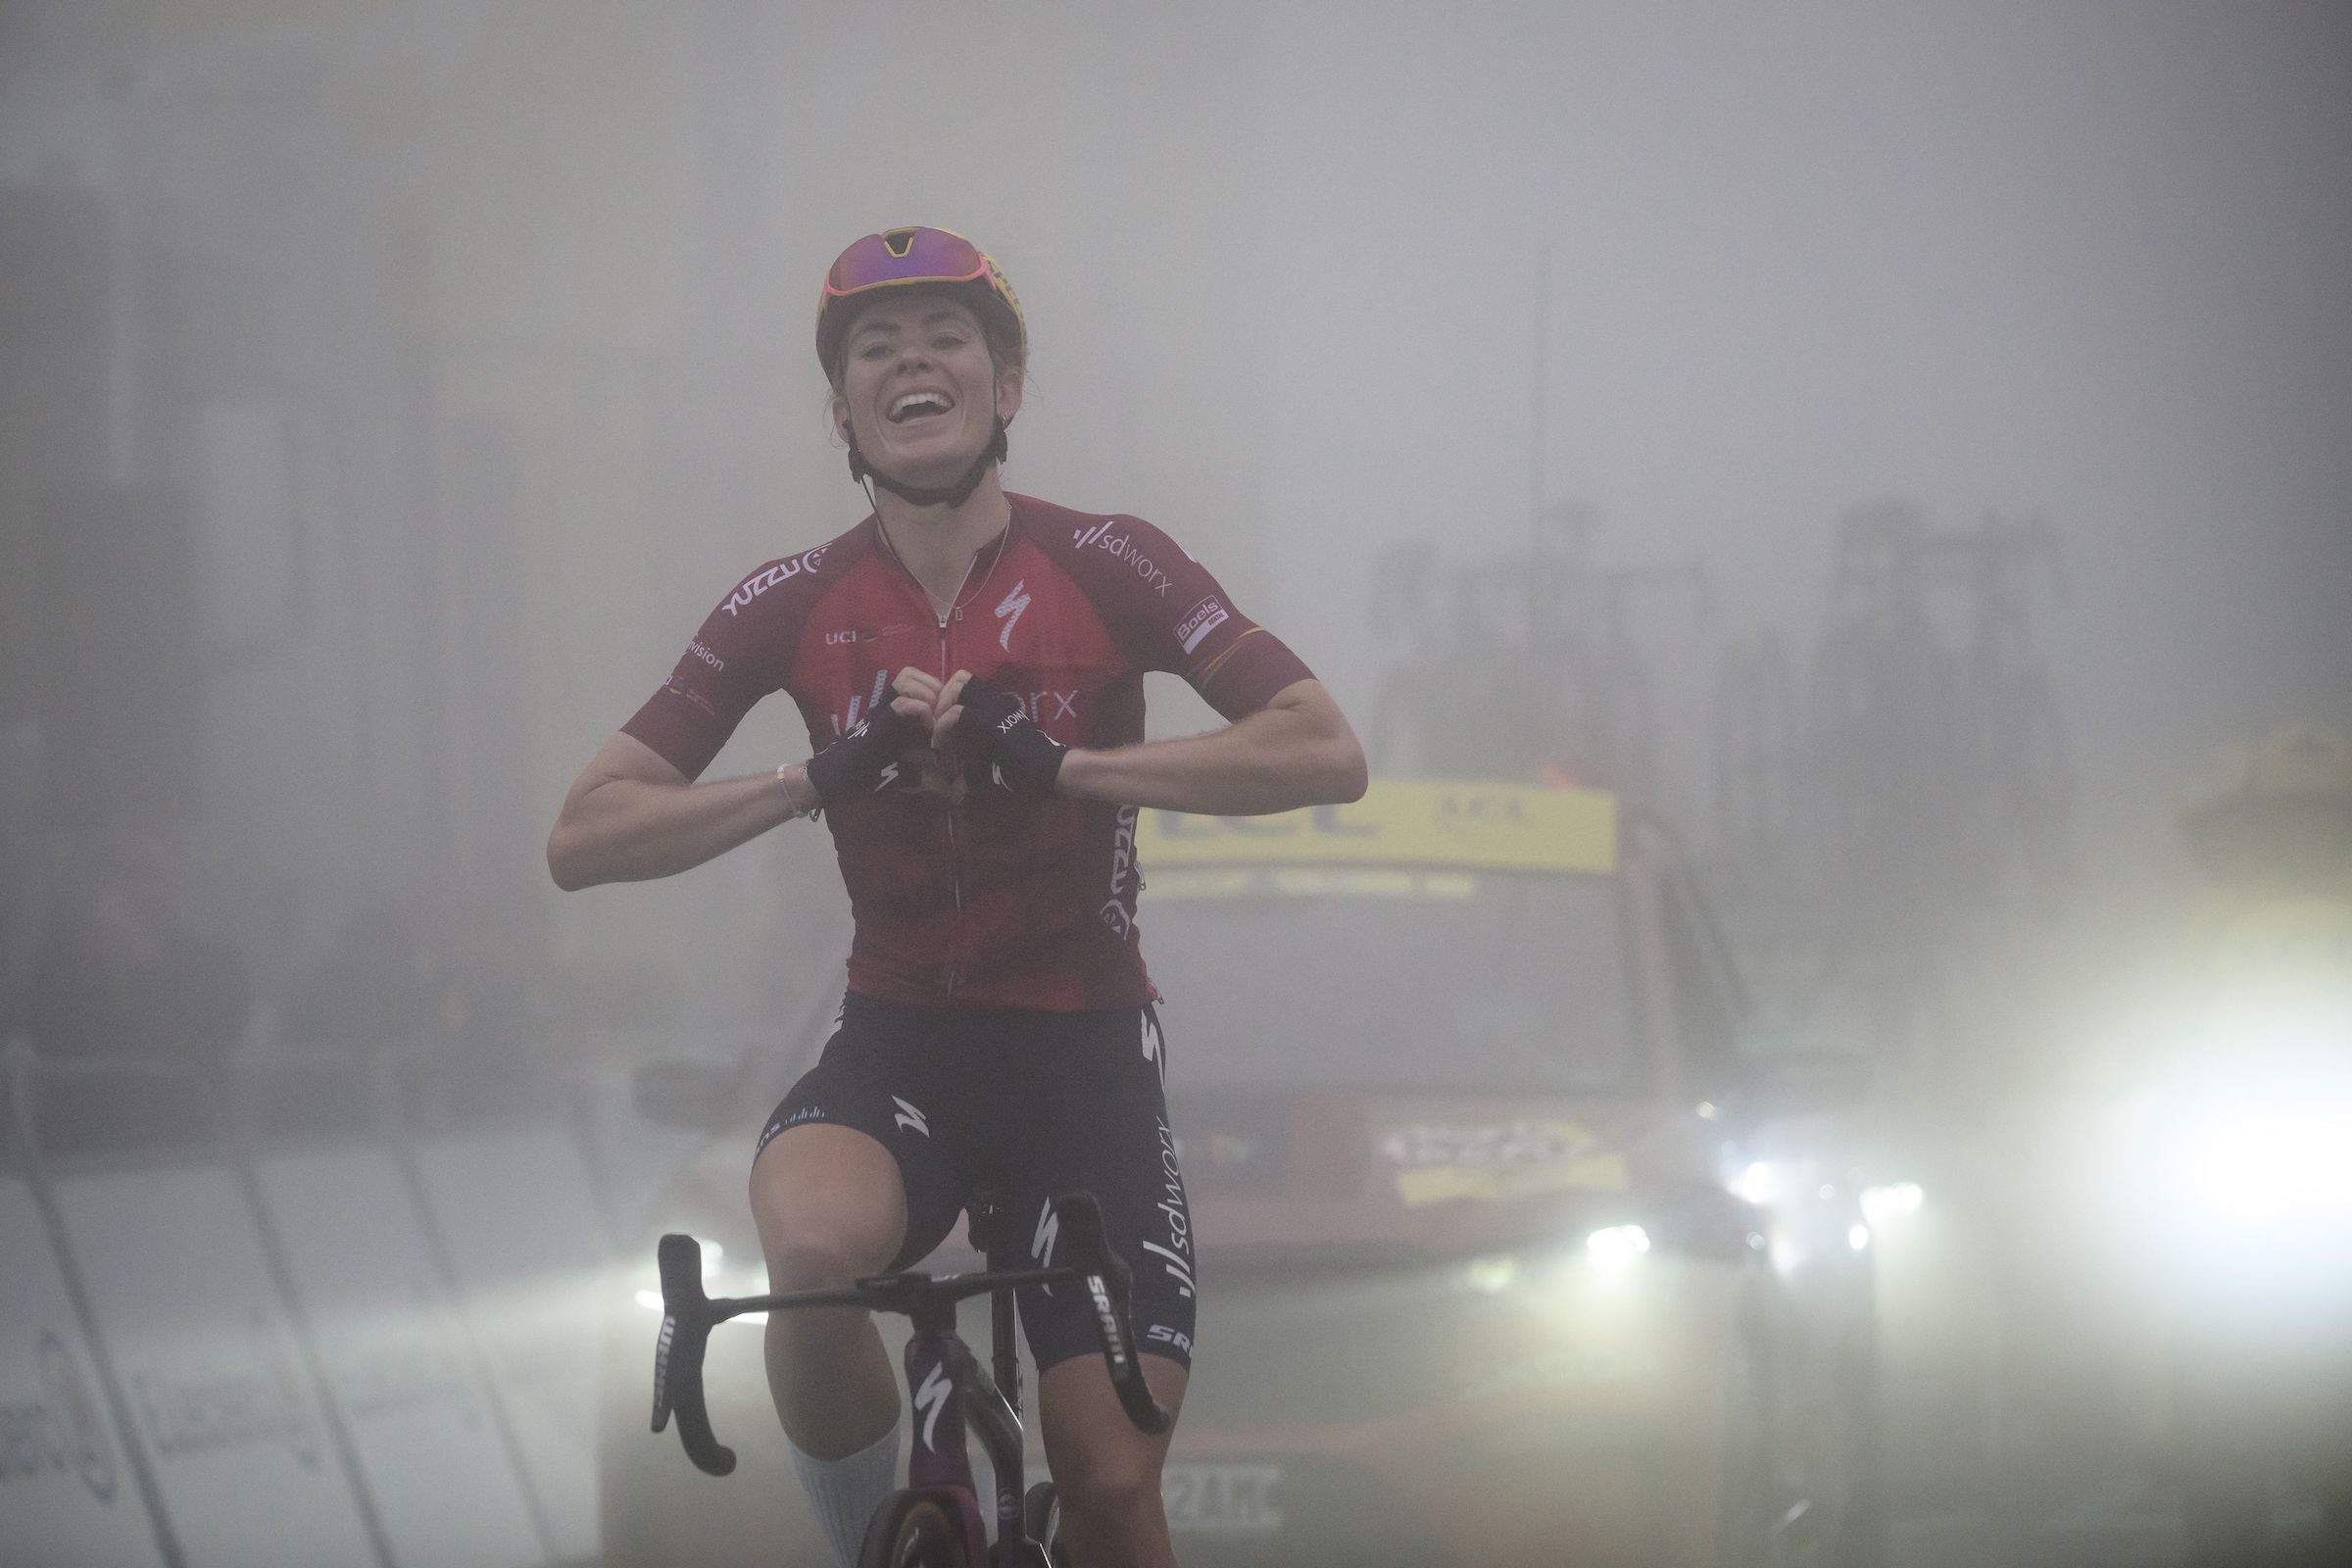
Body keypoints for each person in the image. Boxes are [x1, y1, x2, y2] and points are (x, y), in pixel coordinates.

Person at [546, 225, 1365, 1568]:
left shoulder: (1111, 563)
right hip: (900, 1046)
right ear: (843, 411)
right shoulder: (790, 602)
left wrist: (1064, 765)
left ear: (1007, 388)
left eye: (946, 339)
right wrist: (818, 775)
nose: (911, 361)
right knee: (808, 1258)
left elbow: (1323, 746)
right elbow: (584, 836)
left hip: (1081, 1060)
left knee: (1107, 1484)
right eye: (876, 346)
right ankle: (877, 1544)